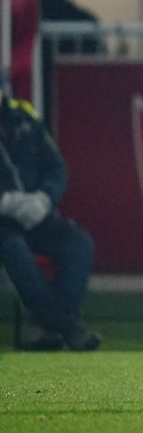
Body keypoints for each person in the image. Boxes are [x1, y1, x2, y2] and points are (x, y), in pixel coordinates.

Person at [0, 90, 99, 351]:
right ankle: (68, 327)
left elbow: (56, 168)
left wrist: (44, 198)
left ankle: (44, 326)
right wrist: (7, 202)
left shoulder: (24, 117)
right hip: (2, 220)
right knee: (14, 249)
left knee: (79, 244)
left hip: (37, 212)